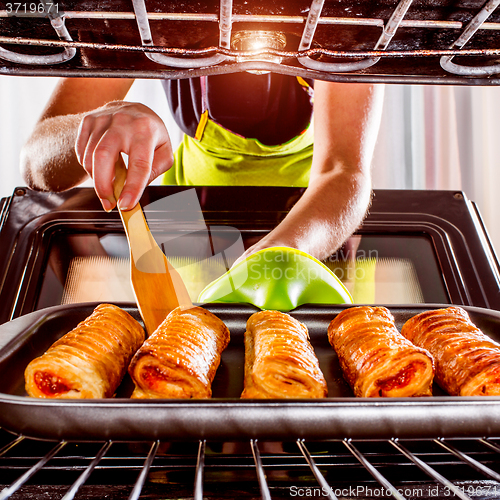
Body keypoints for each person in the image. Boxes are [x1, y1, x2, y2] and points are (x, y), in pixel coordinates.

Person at [20, 73, 384, 263]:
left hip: (315, 223)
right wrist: (92, 126)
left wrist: (284, 252)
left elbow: (343, 170)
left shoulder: (341, 18)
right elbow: (35, 162)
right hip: (186, 218)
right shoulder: (147, 13)